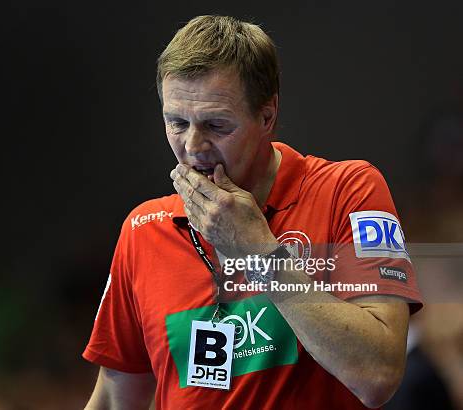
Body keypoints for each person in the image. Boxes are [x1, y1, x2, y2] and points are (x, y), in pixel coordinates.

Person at [83, 15, 422, 409]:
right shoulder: (144, 230)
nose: (193, 146)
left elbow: (377, 374)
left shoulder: (347, 191)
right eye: (176, 122)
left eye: (216, 125)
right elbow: (113, 397)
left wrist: (259, 252)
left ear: (267, 116)